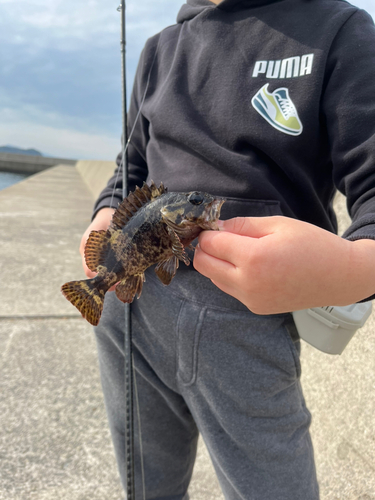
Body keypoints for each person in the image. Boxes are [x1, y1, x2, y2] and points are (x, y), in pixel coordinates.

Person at [80, 0, 375, 498]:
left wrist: (355, 266)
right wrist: (106, 214)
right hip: (125, 315)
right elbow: (129, 165)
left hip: (246, 330)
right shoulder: (158, 49)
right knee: (145, 483)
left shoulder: (341, 30)